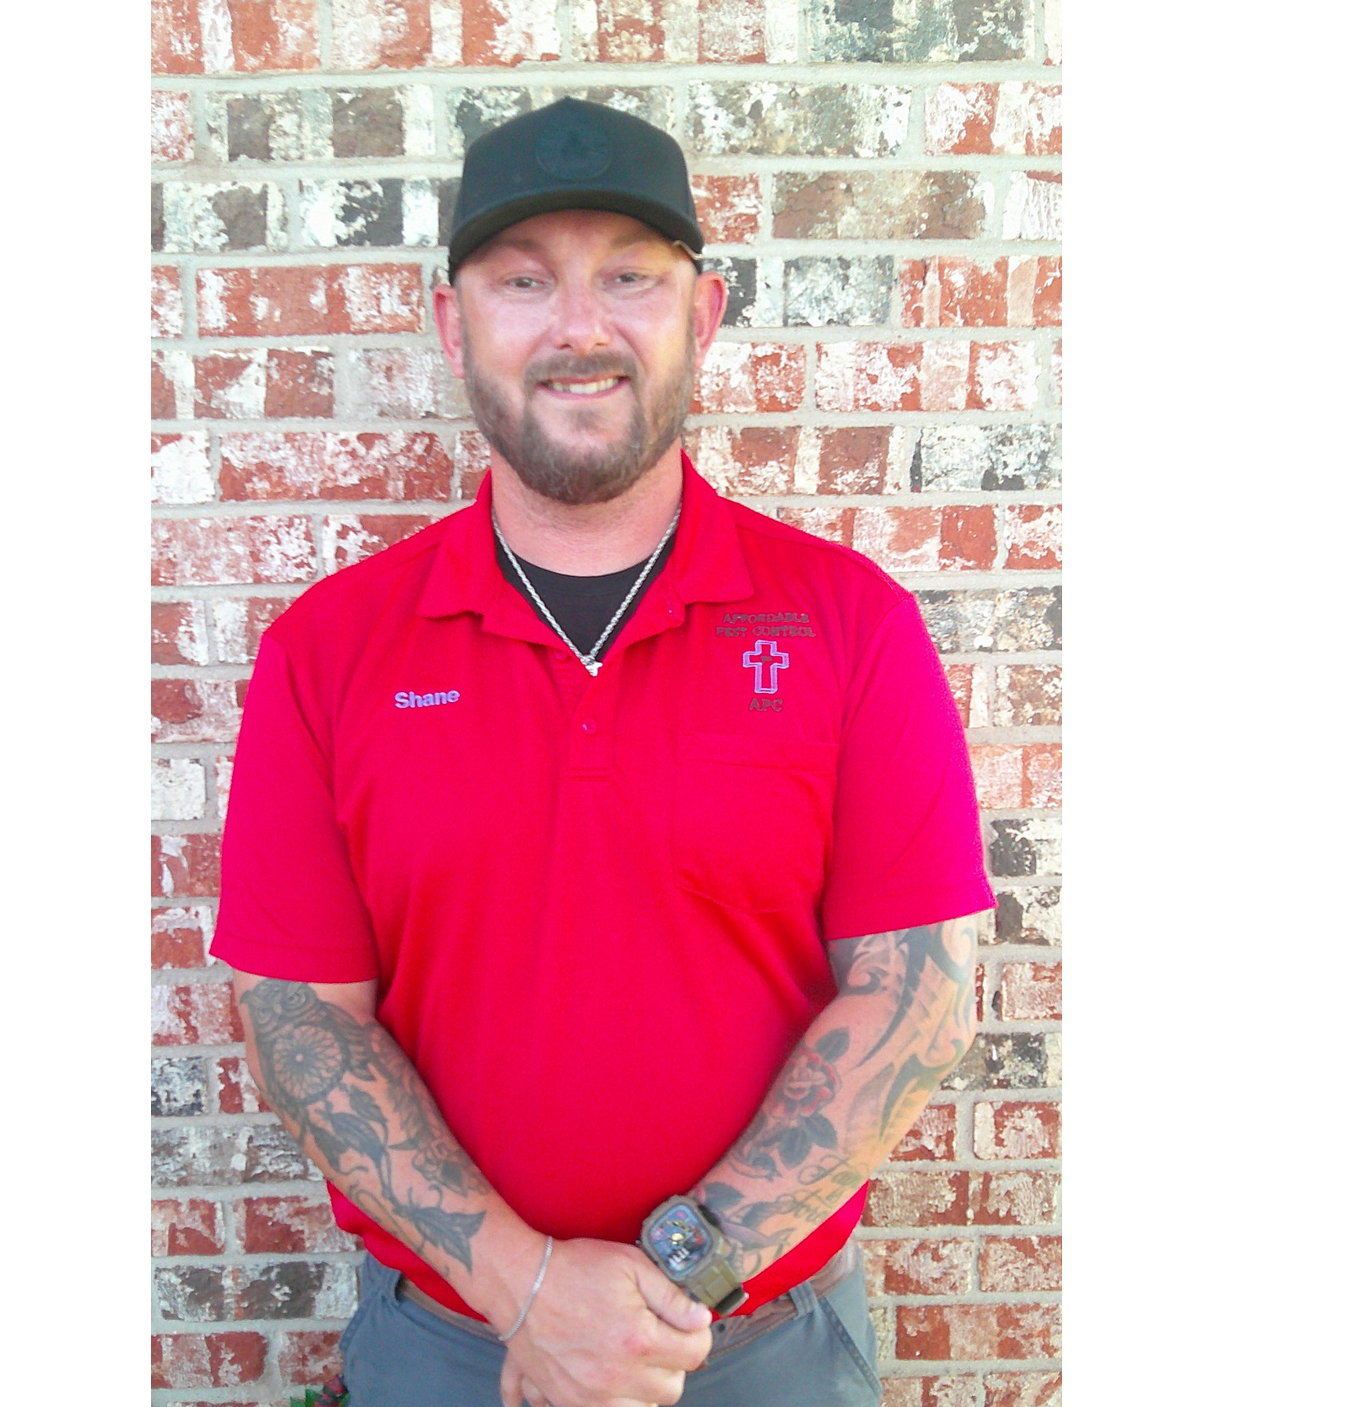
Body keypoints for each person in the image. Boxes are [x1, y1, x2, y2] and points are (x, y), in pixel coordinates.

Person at [213, 97, 994, 1407]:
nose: (580, 327)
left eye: (630, 274)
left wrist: (665, 1279)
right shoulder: (328, 650)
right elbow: (297, 1017)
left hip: (767, 1350)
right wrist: (525, 1287)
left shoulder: (850, 623)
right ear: (455, 324)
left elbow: (916, 993)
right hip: (454, 1352)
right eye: (523, 281)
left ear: (705, 312)